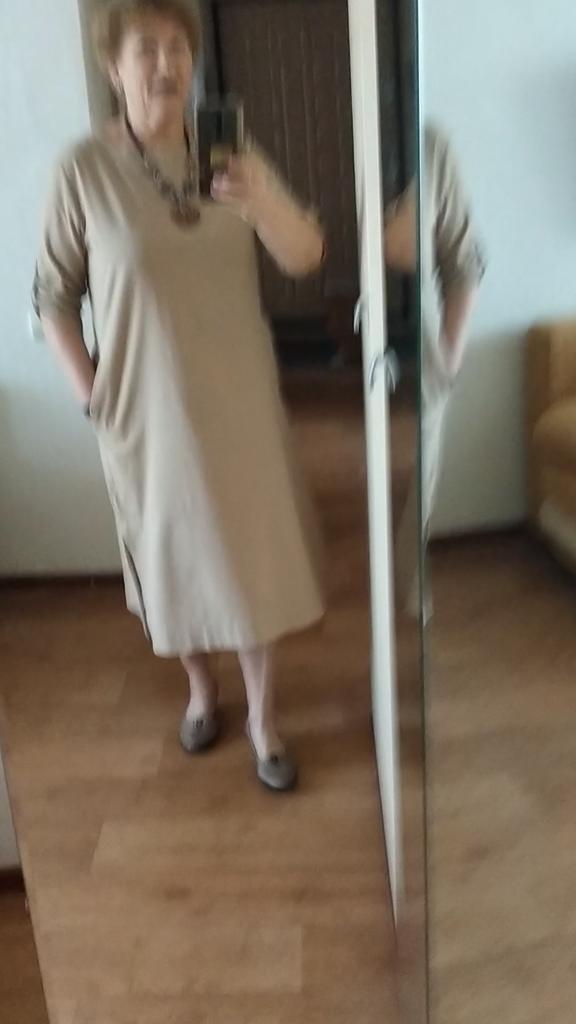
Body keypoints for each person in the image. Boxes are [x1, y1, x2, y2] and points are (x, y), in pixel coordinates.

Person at [32, 0, 326, 791]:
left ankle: (264, 718)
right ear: (113, 66)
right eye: (147, 50)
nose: (166, 65)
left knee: (252, 559)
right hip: (144, 413)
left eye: (177, 48)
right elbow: (52, 298)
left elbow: (305, 254)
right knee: (172, 562)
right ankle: (202, 690)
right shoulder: (81, 172)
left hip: (241, 402)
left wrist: (259, 198)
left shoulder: (232, 153)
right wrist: (93, 398)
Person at [385, 124, 486, 617]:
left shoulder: (426, 145)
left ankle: (406, 604)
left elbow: (463, 260)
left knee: (412, 503)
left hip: (418, 373)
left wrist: (448, 358)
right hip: (329, 374)